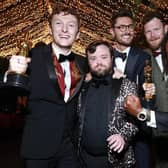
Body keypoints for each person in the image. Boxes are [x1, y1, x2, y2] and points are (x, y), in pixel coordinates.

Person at [5, 6, 88, 168]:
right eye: (58, 24)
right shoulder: (33, 55)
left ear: (78, 34)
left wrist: (115, 74)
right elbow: (11, 91)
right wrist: (11, 73)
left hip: (71, 148)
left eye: (71, 25)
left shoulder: (83, 63)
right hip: (38, 146)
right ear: (50, 29)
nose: (64, 29)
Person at [76, 40, 138, 168]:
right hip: (84, 159)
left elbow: (136, 118)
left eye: (103, 57)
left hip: (116, 161)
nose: (98, 62)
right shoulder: (81, 86)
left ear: (112, 58)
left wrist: (123, 136)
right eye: (93, 58)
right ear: (88, 62)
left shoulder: (126, 85)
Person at [109, 9, 151, 168]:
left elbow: (148, 94)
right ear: (112, 31)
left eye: (130, 26)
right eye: (121, 27)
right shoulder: (103, 56)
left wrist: (124, 80)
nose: (127, 30)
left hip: (139, 129)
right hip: (111, 131)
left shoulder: (145, 57)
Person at [142, 12, 168, 168]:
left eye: (156, 29)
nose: (152, 36)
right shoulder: (141, 57)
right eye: (148, 32)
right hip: (159, 134)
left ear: (166, 28)